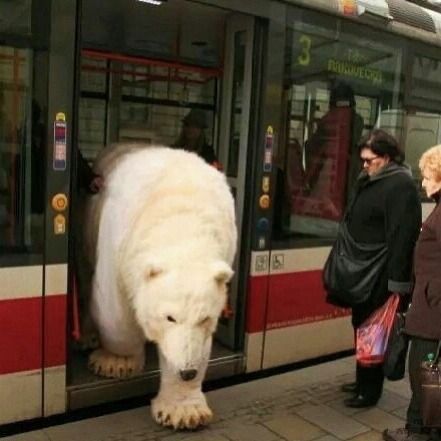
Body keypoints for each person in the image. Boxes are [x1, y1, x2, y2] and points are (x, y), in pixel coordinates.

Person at [336, 129, 421, 408]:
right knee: (361, 323)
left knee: (374, 329)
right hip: (363, 268)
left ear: (386, 157)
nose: (364, 165)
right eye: (362, 160)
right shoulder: (371, 179)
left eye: (369, 160)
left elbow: (402, 236)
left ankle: (370, 390)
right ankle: (362, 378)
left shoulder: (401, 186)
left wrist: (398, 284)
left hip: (380, 273)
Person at [383, 145, 441, 441]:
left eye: (429, 176)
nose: (424, 183)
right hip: (428, 308)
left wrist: (432, 294)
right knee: (425, 373)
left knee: (425, 374)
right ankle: (417, 427)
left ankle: (423, 431)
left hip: (433, 314)